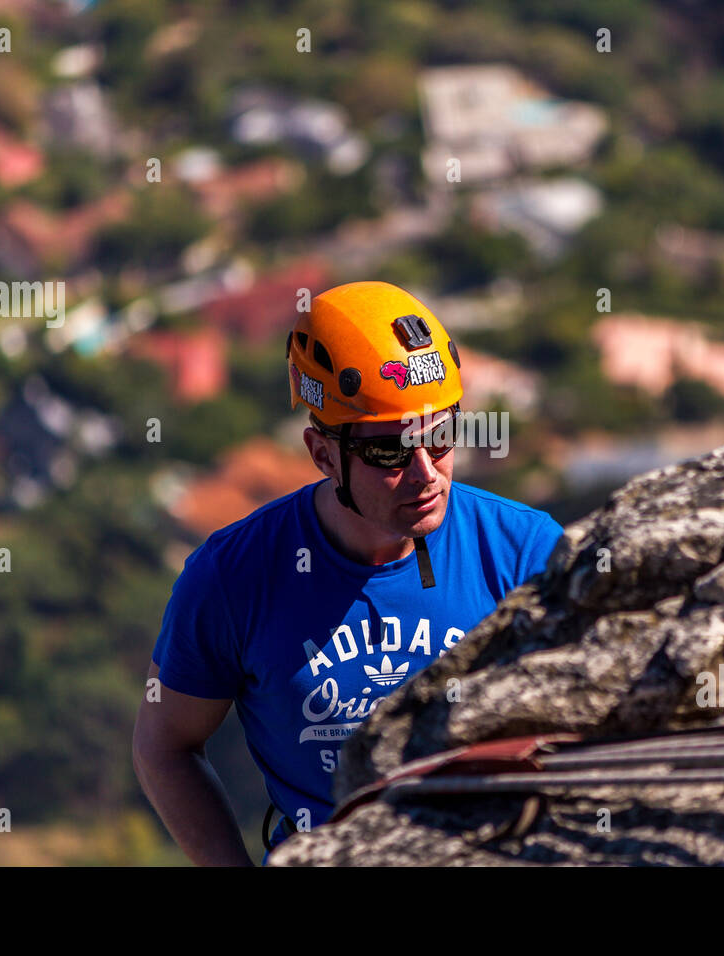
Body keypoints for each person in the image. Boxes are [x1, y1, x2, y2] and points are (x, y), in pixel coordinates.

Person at [132, 280, 564, 865]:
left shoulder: (524, 552)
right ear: (322, 453)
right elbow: (165, 743)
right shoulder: (235, 576)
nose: (425, 473)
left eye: (440, 436)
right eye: (389, 452)